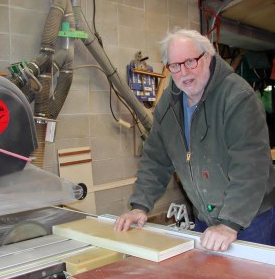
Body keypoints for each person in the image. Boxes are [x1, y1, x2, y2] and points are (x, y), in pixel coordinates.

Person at [114, 29, 275, 252]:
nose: (184, 72)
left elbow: (250, 166)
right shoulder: (168, 105)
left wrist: (229, 224)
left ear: (207, 58)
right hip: (206, 220)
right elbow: (155, 159)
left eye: (190, 62)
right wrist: (139, 206)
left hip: (249, 220)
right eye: (175, 66)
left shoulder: (237, 97)